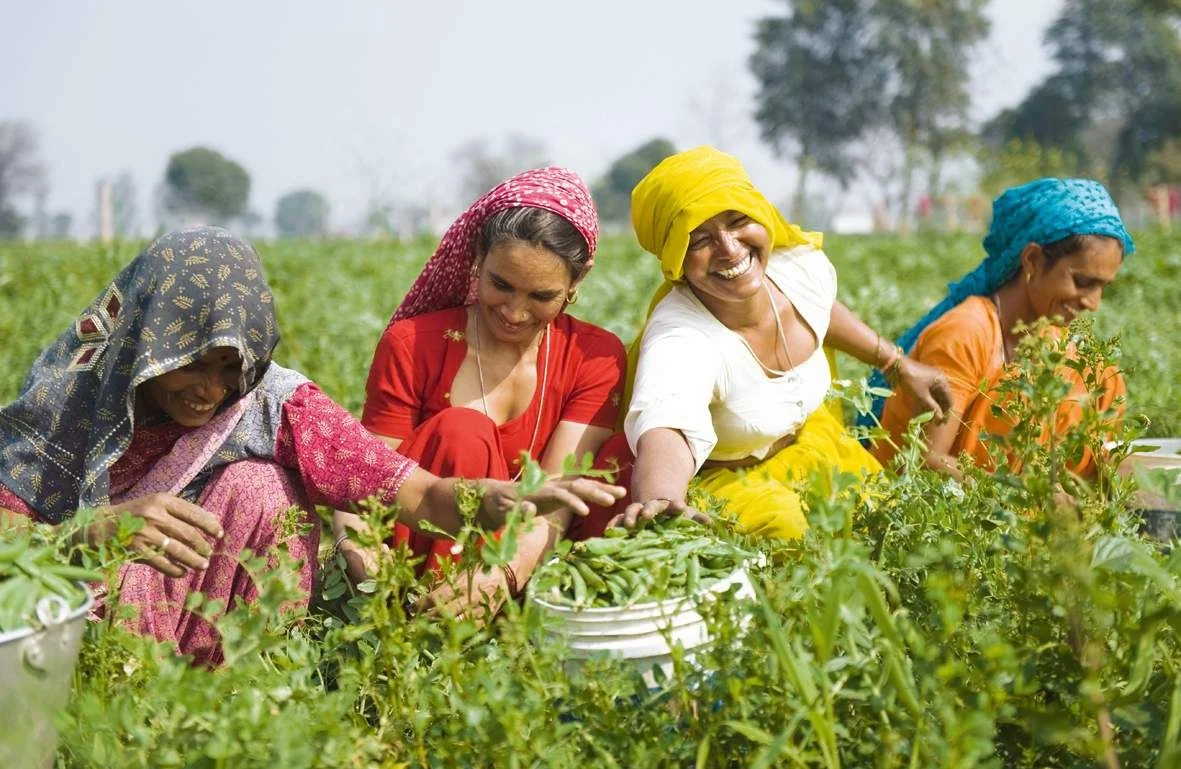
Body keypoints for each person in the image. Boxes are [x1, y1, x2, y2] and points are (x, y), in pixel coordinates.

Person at [0, 227, 623, 663]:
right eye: (192, 365)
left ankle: (230, 680)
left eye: (231, 368)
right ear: (148, 341)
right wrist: (90, 532)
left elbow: (409, 487)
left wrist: (491, 503)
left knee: (263, 489)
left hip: (197, 620)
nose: (210, 392)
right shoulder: (70, 400)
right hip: (61, 624)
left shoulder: (271, 399)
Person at [617, 146, 953, 539]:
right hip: (734, 484)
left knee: (895, 525)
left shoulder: (794, 267)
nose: (729, 249)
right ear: (675, 260)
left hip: (815, 448)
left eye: (738, 220)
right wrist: (661, 495)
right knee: (790, 536)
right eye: (699, 240)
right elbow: (666, 424)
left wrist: (897, 364)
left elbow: (820, 311)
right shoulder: (681, 338)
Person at [351, 167, 627, 610]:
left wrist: (502, 575)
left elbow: (556, 497)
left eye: (541, 297)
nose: (515, 313)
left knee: (622, 463)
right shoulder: (414, 343)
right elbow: (368, 482)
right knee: (463, 431)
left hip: (524, 551)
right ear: (477, 259)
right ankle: (430, 614)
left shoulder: (594, 357)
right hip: (417, 546)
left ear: (576, 282)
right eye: (501, 285)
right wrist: (362, 557)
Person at [871, 178, 1134, 479]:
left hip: (1007, 516)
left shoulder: (1060, 346)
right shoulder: (966, 334)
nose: (1093, 302)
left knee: (1103, 378)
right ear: (1033, 260)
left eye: (1103, 287)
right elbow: (926, 462)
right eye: (1082, 282)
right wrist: (1027, 495)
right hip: (938, 516)